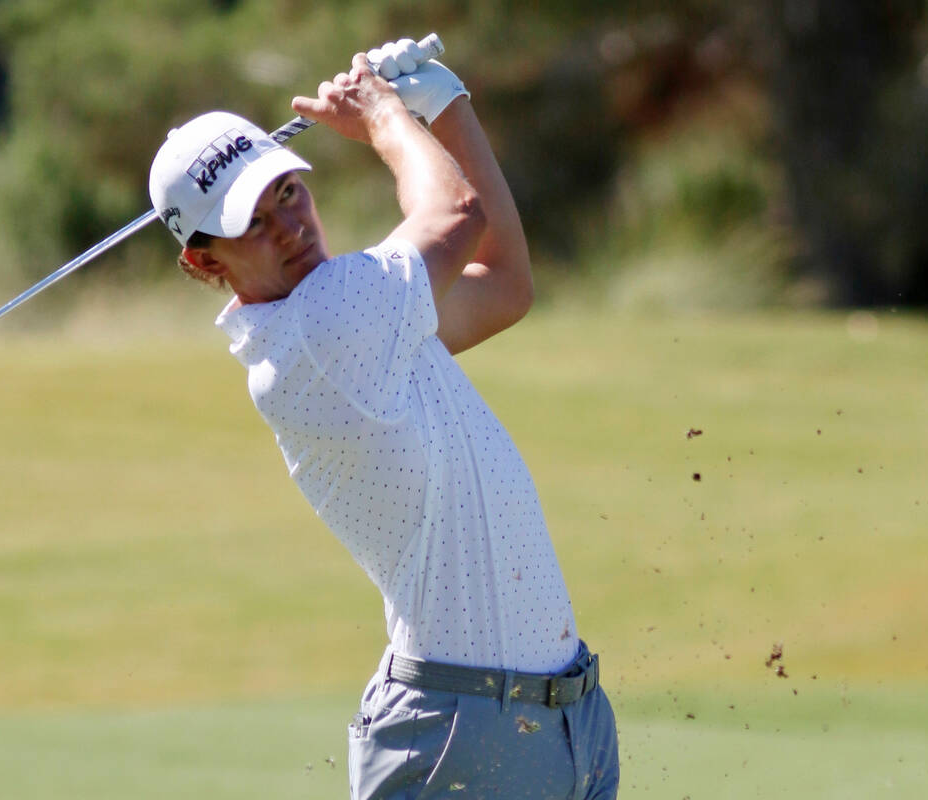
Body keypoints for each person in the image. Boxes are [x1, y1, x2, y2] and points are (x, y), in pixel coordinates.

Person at [148, 39, 619, 800]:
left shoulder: (359, 311)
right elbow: (455, 214)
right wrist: (388, 115)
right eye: (252, 224)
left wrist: (448, 107)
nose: (290, 228)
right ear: (205, 263)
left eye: (288, 195)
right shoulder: (323, 328)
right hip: (461, 734)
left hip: (566, 724)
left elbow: (504, 285)